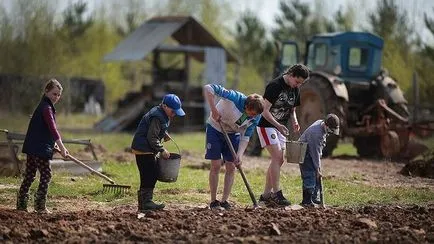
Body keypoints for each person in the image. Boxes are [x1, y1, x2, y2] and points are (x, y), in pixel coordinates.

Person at [203, 84, 264, 210]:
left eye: (255, 115)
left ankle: (225, 201)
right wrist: (214, 110)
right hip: (215, 128)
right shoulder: (234, 97)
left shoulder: (255, 117)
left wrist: (239, 155)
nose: (252, 117)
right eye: (251, 114)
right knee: (216, 164)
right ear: (246, 106)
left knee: (231, 166)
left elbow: (246, 137)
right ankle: (214, 201)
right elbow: (208, 88)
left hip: (232, 133)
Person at [256, 64, 310, 207]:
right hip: (266, 125)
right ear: (291, 74)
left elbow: (292, 109)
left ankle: (266, 195)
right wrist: (277, 125)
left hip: (281, 127)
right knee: (277, 157)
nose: (297, 85)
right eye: (297, 81)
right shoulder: (274, 86)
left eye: (301, 83)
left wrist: (295, 121)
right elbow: (264, 111)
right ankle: (277, 194)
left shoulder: (295, 89)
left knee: (279, 161)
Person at [17, 78, 69, 213]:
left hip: (33, 147)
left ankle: (21, 204)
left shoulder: (43, 106)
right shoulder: (46, 108)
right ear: (46, 91)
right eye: (54, 94)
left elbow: (42, 131)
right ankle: (40, 206)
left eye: (58, 95)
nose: (56, 97)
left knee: (30, 175)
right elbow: (53, 129)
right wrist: (62, 147)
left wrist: (53, 145)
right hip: (38, 149)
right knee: (46, 175)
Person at [131, 94, 185, 212]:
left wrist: (164, 133)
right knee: (150, 174)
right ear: (165, 106)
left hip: (146, 149)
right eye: (173, 111)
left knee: (149, 174)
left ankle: (144, 203)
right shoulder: (157, 116)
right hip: (143, 149)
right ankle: (146, 202)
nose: (174, 113)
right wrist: (162, 149)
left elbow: (155, 129)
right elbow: (152, 137)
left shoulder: (161, 113)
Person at [298, 113, 340, 207]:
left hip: (311, 152)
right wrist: (317, 169)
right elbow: (315, 153)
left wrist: (318, 170)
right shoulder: (316, 134)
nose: (330, 133)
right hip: (305, 154)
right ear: (326, 125)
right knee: (310, 176)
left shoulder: (321, 124)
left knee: (317, 177)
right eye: (330, 130)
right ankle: (307, 201)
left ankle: (314, 198)